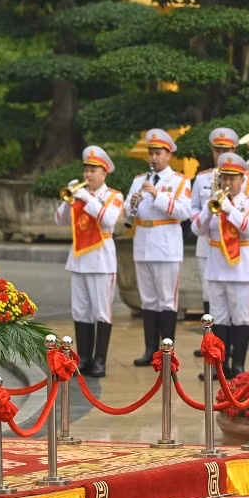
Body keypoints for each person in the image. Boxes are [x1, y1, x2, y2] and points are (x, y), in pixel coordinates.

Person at [190, 153, 249, 376]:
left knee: (241, 318)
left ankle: (239, 365)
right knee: (218, 319)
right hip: (216, 268)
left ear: (242, 180)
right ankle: (218, 366)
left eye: (233, 178)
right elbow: (196, 229)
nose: (228, 183)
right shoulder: (212, 203)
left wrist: (229, 209)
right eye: (224, 178)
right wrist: (210, 208)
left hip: (240, 270)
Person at [124, 129, 192, 366]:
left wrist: (157, 195)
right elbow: (126, 211)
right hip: (143, 243)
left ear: (168, 155)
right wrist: (131, 204)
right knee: (148, 301)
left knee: (166, 300)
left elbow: (184, 212)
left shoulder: (179, 181)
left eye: (158, 153)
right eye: (151, 153)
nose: (153, 158)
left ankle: (167, 352)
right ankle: (150, 349)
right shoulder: (138, 181)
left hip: (166, 246)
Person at [55, 146, 124, 377]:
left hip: (102, 260)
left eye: (93, 170)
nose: (88, 174)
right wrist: (69, 200)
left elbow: (109, 220)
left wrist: (88, 199)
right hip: (79, 259)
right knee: (81, 310)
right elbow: (59, 220)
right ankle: (83, 358)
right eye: (86, 169)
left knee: (101, 312)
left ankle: (100, 361)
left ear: (104, 173)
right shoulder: (79, 193)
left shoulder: (113, 196)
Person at [190, 128, 240, 324]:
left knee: (233, 296)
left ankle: (232, 340)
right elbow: (192, 206)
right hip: (207, 242)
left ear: (234, 151)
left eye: (226, 150)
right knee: (208, 293)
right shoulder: (202, 178)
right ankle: (210, 340)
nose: (221, 155)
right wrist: (201, 220)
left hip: (233, 242)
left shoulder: (242, 178)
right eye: (217, 150)